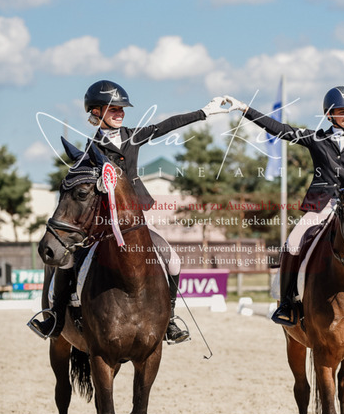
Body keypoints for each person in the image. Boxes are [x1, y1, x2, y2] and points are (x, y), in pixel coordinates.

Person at [30, 80, 228, 342]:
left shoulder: (132, 136)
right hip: (103, 223)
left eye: (122, 109)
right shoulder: (90, 148)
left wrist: (204, 112)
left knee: (173, 260)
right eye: (114, 109)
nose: (120, 113)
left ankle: (169, 319)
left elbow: (167, 125)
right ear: (97, 112)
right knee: (68, 260)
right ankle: (55, 317)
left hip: (135, 218)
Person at [225, 86, 344, 324]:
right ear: (329, 114)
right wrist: (245, 109)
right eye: (343, 111)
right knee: (293, 243)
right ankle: (287, 302)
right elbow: (281, 130)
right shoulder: (316, 139)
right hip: (323, 205)